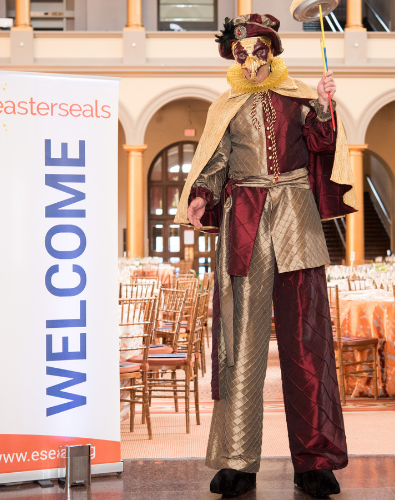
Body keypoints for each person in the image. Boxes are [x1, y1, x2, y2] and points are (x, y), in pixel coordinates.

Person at [174, 14, 357, 499]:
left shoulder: (298, 96)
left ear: (272, 52)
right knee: (241, 342)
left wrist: (322, 107)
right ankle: (237, 460)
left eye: (259, 52)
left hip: (296, 219)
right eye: (241, 54)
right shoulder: (224, 106)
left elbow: (321, 145)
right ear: (232, 58)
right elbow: (215, 162)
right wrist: (201, 194)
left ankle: (315, 460)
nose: (251, 61)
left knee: (307, 341)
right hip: (245, 223)